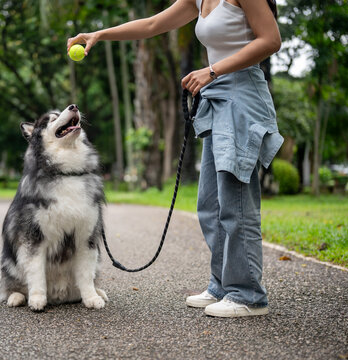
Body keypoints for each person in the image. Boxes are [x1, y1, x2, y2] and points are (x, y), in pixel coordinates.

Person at [67, 0, 283, 318]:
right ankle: (223, 285)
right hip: (216, 95)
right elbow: (154, 24)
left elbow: (271, 40)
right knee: (210, 205)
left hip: (241, 95)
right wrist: (100, 34)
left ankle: (248, 294)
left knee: (236, 204)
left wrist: (212, 70)